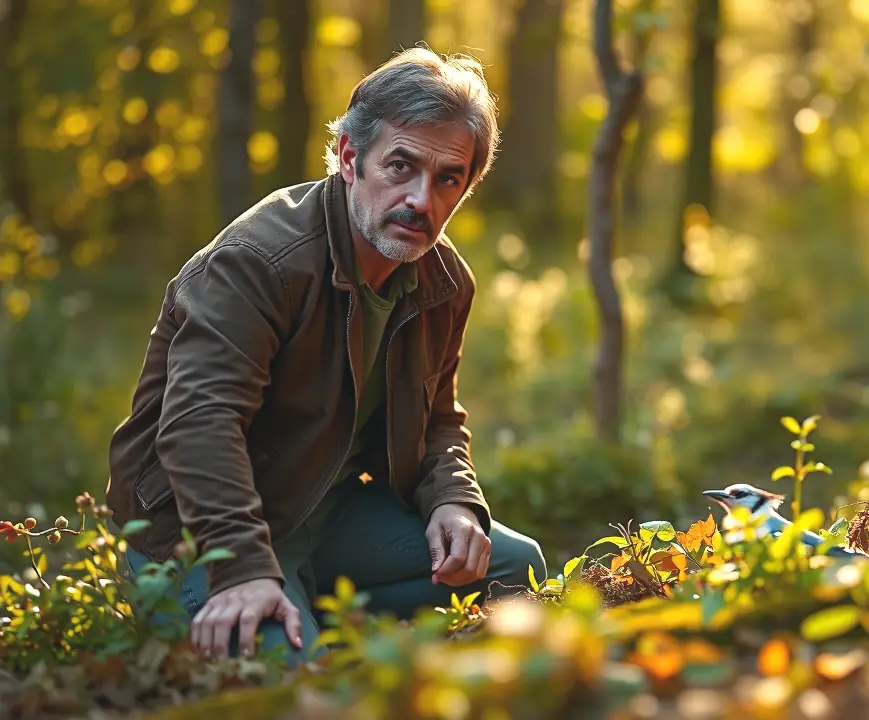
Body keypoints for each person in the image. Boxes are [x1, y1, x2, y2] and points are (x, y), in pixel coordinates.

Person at [104, 46, 546, 665]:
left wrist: (452, 498)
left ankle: (315, 612)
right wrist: (245, 569)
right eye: (401, 166)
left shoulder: (444, 281)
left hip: (327, 510)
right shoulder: (259, 264)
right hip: (200, 533)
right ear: (348, 158)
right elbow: (197, 424)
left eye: (448, 178)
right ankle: (286, 617)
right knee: (304, 687)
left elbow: (440, 414)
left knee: (513, 568)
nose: (423, 199)